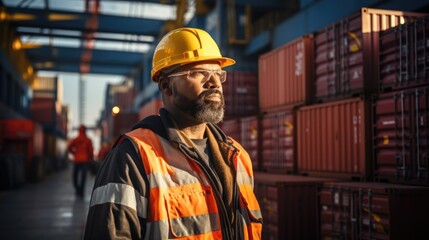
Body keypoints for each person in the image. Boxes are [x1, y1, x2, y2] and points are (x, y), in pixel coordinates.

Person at [84, 28, 262, 239]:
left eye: (217, 74)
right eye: (199, 73)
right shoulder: (132, 158)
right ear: (167, 86)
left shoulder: (238, 157)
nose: (214, 83)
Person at [67, 124, 94, 197]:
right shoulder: (88, 140)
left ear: (79, 130)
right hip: (85, 161)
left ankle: (77, 189)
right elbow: (91, 151)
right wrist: (90, 159)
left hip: (77, 160)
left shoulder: (76, 139)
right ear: (85, 131)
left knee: (75, 176)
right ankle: (81, 191)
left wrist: (74, 153)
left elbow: (69, 147)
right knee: (83, 177)